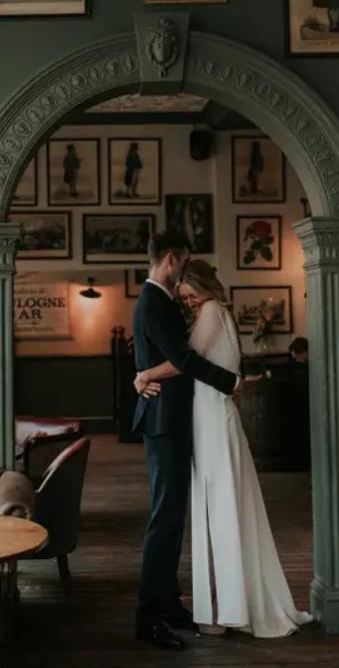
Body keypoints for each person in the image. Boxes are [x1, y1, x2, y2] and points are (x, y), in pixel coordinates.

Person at [136, 260, 313, 638]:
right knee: (218, 507)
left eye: (191, 295)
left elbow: (186, 361)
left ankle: (227, 608)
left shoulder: (213, 311)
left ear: (206, 288)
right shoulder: (215, 312)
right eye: (184, 299)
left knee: (221, 508)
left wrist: (145, 374)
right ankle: (224, 604)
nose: (189, 303)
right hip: (208, 417)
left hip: (212, 421)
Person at [130, 234, 242, 651]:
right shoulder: (155, 301)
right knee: (165, 517)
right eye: (185, 262)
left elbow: (153, 358)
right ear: (172, 259)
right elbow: (182, 359)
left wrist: (142, 375)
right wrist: (229, 381)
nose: (184, 274)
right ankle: (149, 615)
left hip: (171, 419)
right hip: (164, 424)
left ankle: (168, 602)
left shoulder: (157, 300)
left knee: (174, 516)